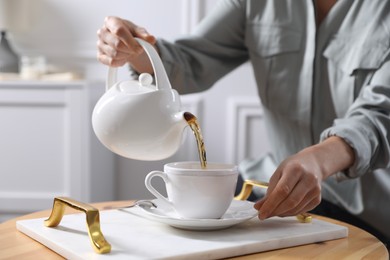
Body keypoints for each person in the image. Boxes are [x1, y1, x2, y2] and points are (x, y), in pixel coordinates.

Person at [97, 0, 390, 247]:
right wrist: (134, 51)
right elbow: (190, 61)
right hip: (267, 188)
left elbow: (379, 115)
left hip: (367, 212)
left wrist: (318, 160)